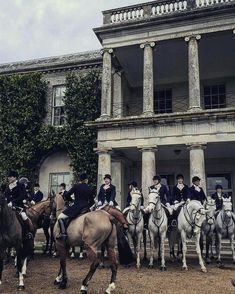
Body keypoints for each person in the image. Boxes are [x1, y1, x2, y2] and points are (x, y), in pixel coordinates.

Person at [56, 173, 95, 241]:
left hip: (77, 207)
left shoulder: (76, 186)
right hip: (86, 208)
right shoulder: (90, 188)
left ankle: (63, 234)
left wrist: (72, 200)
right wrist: (87, 206)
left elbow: (67, 195)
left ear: (80, 180)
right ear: (86, 180)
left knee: (60, 217)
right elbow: (92, 202)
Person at [5, 171, 34, 239]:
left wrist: (13, 202)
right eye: (8, 177)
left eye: (10, 177)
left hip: (19, 206)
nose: (9, 178)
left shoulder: (20, 185)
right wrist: (6, 200)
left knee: (24, 216)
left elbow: (23, 195)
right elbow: (7, 195)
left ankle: (28, 232)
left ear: (15, 177)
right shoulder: (9, 186)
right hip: (9, 207)